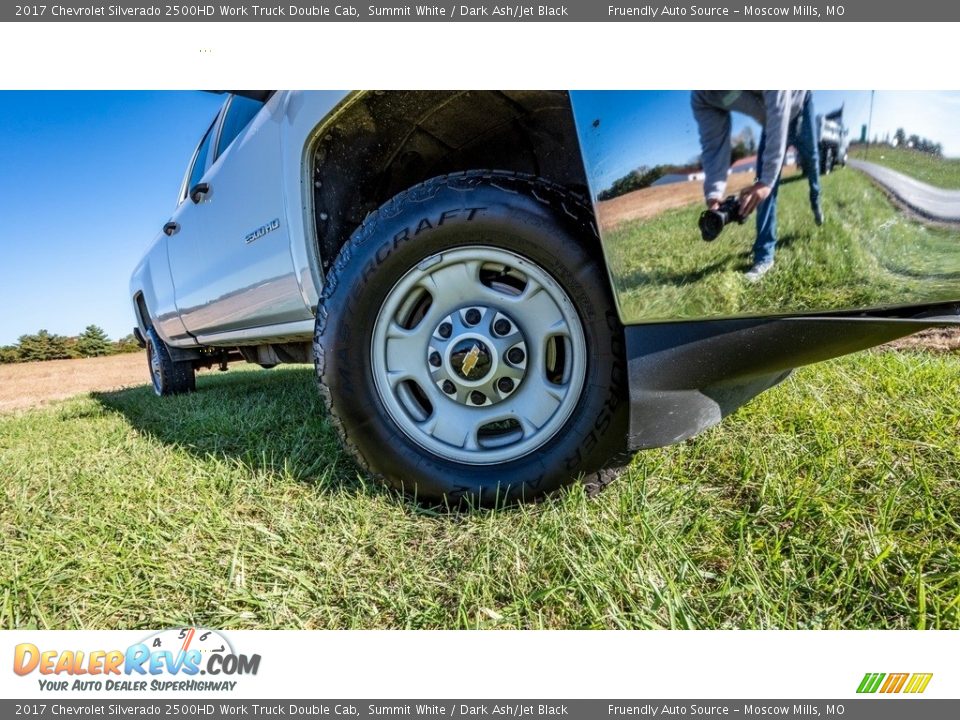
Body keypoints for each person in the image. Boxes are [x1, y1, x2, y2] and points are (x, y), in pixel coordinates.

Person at [692, 91, 824, 282]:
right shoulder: (703, 96)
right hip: (772, 118)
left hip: (799, 105)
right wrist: (714, 194)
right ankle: (764, 256)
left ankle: (815, 200)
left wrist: (767, 180)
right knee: (763, 184)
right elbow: (714, 145)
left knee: (811, 161)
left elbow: (780, 103)